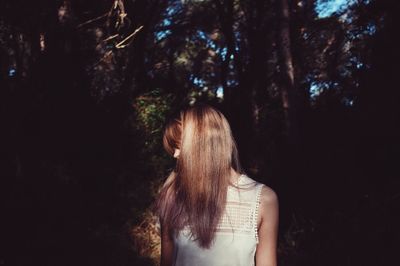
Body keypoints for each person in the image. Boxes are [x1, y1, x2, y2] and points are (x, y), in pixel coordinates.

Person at [154, 104, 279, 266]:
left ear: (205, 144)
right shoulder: (172, 193)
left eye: (179, 146)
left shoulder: (262, 199)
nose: (175, 154)